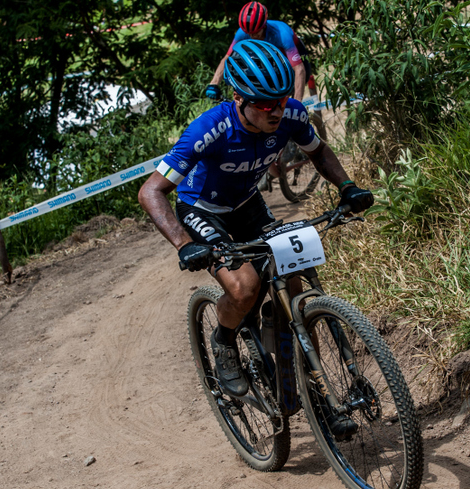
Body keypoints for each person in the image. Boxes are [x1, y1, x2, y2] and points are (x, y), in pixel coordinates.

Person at [138, 40, 373, 399]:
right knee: (244, 287)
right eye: (264, 104)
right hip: (202, 210)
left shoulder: (291, 115)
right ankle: (224, 340)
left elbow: (319, 151)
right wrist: (184, 245)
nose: (276, 111)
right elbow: (150, 192)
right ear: (239, 98)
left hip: (247, 204)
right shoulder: (209, 129)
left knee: (292, 278)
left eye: (281, 100)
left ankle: (308, 379)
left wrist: (347, 187)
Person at [205, 1, 317, 103]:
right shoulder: (242, 32)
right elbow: (227, 58)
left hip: (293, 58)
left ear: (264, 26)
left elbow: (299, 69)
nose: (252, 36)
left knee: (285, 94)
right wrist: (214, 83)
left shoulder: (282, 35)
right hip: (270, 59)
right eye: (249, 33)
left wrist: (297, 103)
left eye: (256, 32)